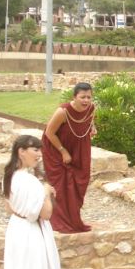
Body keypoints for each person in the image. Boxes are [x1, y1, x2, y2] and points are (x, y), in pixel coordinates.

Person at [3, 135, 61, 269]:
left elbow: (9, 208)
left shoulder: (9, 175)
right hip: (31, 234)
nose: (39, 154)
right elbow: (45, 214)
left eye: (40, 150)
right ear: (21, 151)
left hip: (16, 228)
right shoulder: (31, 182)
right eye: (35, 150)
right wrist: (45, 193)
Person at [41, 82, 97, 233]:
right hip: (56, 148)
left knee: (80, 182)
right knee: (62, 185)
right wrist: (63, 151)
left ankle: (73, 219)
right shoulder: (63, 111)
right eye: (82, 97)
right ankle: (57, 220)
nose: (86, 100)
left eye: (89, 97)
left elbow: (91, 121)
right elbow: (49, 133)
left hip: (79, 147)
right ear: (74, 97)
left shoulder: (91, 108)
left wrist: (92, 128)